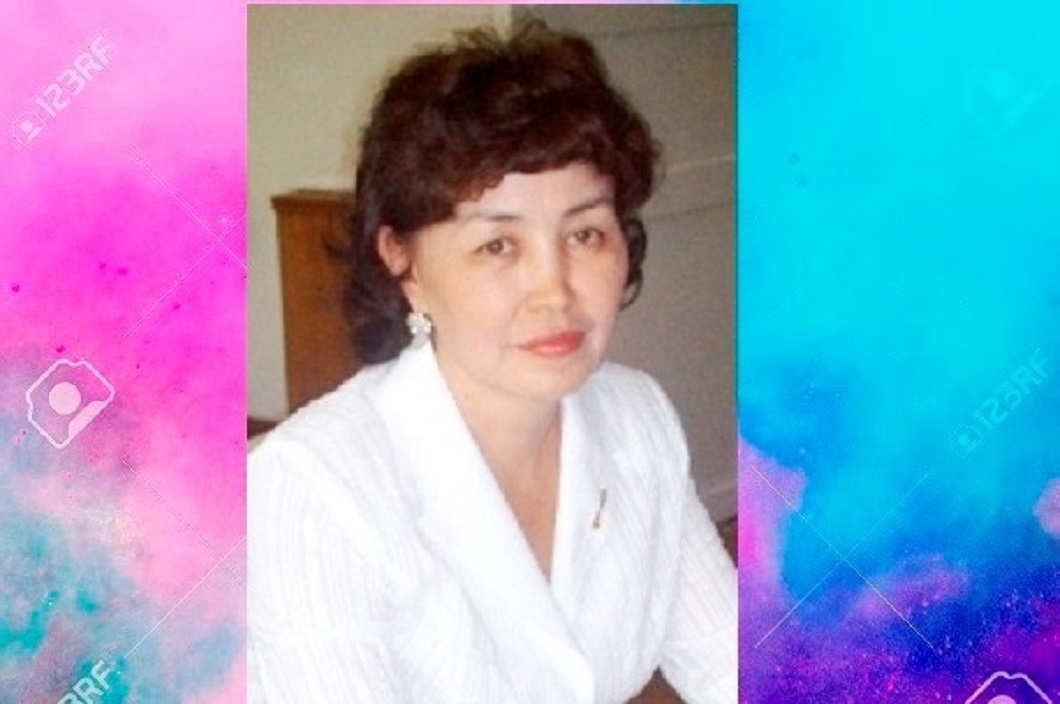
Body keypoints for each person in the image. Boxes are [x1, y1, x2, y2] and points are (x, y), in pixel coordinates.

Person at [247, 19, 736, 703]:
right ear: (404, 263)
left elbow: (733, 664)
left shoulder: (637, 416)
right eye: (498, 246)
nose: (554, 291)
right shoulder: (315, 488)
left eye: (585, 234)